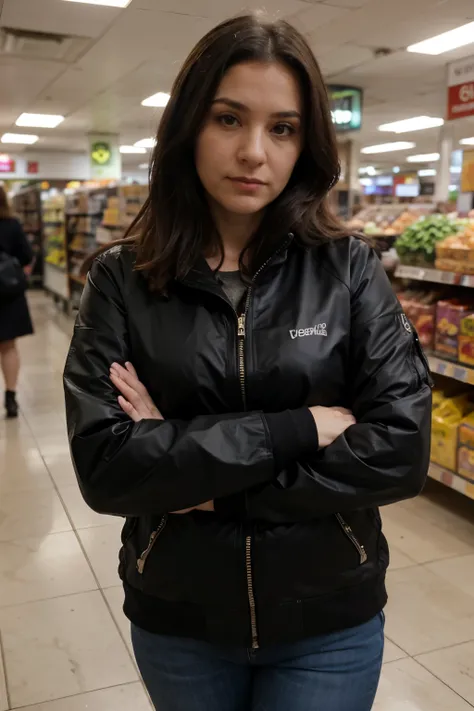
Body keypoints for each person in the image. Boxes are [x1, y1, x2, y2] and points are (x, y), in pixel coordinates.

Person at [64, 14, 432, 711]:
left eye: (283, 128)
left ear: (307, 142)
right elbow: (108, 467)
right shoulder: (120, 280)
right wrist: (300, 427)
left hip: (330, 618)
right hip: (181, 616)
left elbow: (401, 449)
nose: (254, 152)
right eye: (229, 118)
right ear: (187, 127)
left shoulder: (350, 269)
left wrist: (189, 467)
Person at [0, 186, 33, 418]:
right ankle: (10, 398)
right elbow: (27, 255)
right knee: (8, 346)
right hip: (6, 292)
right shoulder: (11, 224)